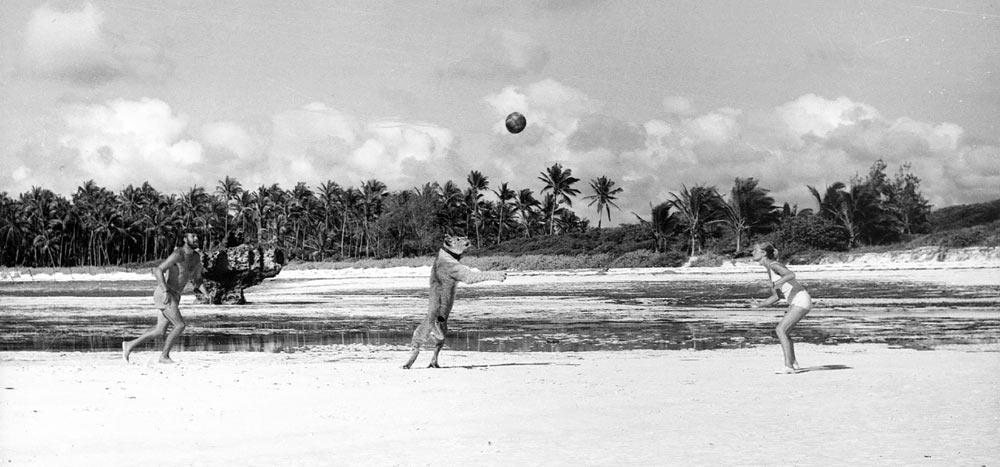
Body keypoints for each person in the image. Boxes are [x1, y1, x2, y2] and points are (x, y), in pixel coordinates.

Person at [123, 230, 209, 364]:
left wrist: (207, 294)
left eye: (197, 236)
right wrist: (165, 291)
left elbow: (197, 279)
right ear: (185, 239)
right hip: (165, 294)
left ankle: (129, 345)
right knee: (180, 325)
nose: (197, 238)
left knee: (159, 331)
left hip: (176, 296)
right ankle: (164, 356)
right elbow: (158, 270)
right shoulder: (178, 254)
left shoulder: (196, 257)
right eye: (193, 236)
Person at [749, 242, 812, 373]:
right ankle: (794, 363)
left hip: (801, 299)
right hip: (796, 301)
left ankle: (788, 366)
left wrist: (776, 282)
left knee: (780, 330)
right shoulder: (769, 269)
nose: (752, 252)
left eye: (755, 250)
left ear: (764, 253)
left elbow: (790, 275)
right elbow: (776, 297)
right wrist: (760, 304)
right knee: (785, 332)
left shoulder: (774, 265)